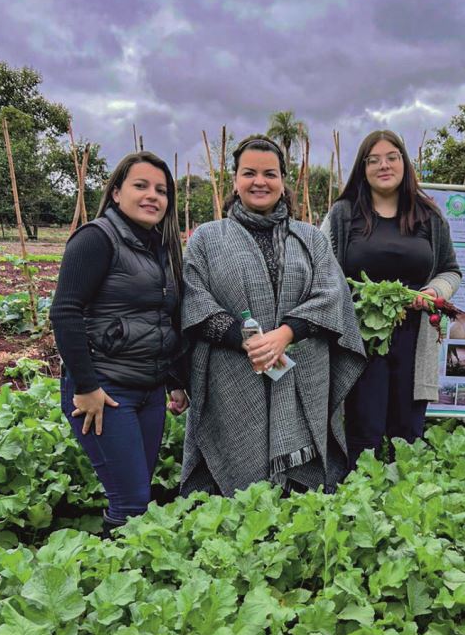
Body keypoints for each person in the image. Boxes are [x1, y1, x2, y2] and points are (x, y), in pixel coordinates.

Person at [180, 135, 365, 496]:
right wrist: (246, 340)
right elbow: (194, 299)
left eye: (270, 173)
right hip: (233, 372)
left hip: (302, 369)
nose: (259, 182)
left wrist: (286, 333)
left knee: (301, 495)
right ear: (234, 180)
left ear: (283, 182)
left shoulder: (312, 239)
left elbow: (331, 295)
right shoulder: (206, 238)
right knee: (235, 489)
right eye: (249, 173)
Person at [50, 152, 188, 534]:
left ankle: (130, 575)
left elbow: (164, 319)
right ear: (115, 193)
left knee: (137, 494)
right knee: (131, 504)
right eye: (140, 186)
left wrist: (175, 380)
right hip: (106, 392)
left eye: (161, 190)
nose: (153, 196)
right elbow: (65, 312)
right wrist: (86, 387)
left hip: (148, 392)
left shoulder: (162, 247)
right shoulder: (96, 239)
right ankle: (112, 580)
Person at [322, 129, 461, 467]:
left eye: (392, 157)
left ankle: (404, 507)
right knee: (362, 432)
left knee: (407, 435)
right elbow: (321, 269)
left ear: (404, 163)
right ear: (363, 168)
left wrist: (433, 293)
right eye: (374, 160)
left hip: (415, 339)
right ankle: (359, 501)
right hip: (361, 341)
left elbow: (450, 271)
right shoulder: (343, 214)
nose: (383, 166)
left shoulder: (429, 216)